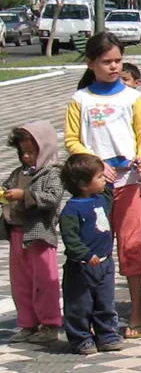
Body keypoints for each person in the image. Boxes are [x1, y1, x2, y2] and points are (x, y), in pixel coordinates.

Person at [64, 31, 141, 339]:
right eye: (106, 62)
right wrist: (95, 163)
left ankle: (136, 313)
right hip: (94, 190)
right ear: (91, 63)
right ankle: (92, 315)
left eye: (118, 60)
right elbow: (72, 140)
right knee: (94, 250)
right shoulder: (81, 100)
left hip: (129, 185)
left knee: (131, 247)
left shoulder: (133, 98)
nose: (114, 66)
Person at [3, 121, 64, 345]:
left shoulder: (52, 173)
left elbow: (52, 198)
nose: (27, 157)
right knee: (20, 282)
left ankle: (49, 323)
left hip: (39, 234)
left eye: (31, 152)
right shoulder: (18, 173)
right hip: (17, 233)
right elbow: (7, 188)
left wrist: (25, 195)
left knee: (44, 281)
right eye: (23, 153)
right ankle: (27, 323)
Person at [58, 154, 123, 354]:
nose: (104, 179)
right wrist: (85, 254)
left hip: (105, 263)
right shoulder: (71, 210)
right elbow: (70, 238)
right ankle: (81, 338)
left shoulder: (99, 200)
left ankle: (107, 335)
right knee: (79, 304)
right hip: (81, 267)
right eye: (99, 177)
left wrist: (112, 174)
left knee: (105, 301)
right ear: (83, 184)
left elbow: (109, 196)